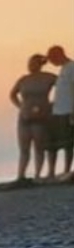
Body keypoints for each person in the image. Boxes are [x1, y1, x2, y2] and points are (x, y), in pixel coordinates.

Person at [10, 54, 57, 182]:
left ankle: (37, 174)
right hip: (25, 116)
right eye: (29, 63)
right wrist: (20, 106)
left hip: (41, 115)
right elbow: (12, 94)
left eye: (33, 63)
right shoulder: (24, 80)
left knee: (39, 146)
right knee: (24, 148)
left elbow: (64, 87)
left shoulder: (48, 77)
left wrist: (54, 104)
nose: (30, 66)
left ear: (39, 64)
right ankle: (21, 175)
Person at [46, 45, 74, 180]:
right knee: (56, 142)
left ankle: (67, 169)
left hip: (68, 110)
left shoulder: (71, 68)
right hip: (58, 110)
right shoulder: (63, 69)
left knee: (68, 142)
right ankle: (54, 171)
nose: (51, 62)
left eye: (52, 59)